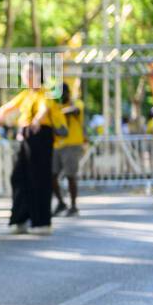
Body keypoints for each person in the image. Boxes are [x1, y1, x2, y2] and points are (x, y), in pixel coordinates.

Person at [0, 63, 63, 235]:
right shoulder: (26, 94)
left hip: (40, 136)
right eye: (25, 73)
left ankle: (42, 222)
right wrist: (2, 115)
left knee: (39, 178)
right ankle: (21, 218)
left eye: (30, 72)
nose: (27, 76)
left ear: (39, 74)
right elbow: (7, 108)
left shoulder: (45, 92)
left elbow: (44, 109)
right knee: (19, 177)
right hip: (26, 136)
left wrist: (36, 121)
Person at [51, 82, 85, 217]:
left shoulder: (76, 104)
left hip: (72, 144)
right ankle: (60, 203)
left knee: (71, 175)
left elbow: (75, 110)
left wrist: (60, 112)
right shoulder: (55, 106)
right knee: (51, 175)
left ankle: (74, 206)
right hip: (57, 145)